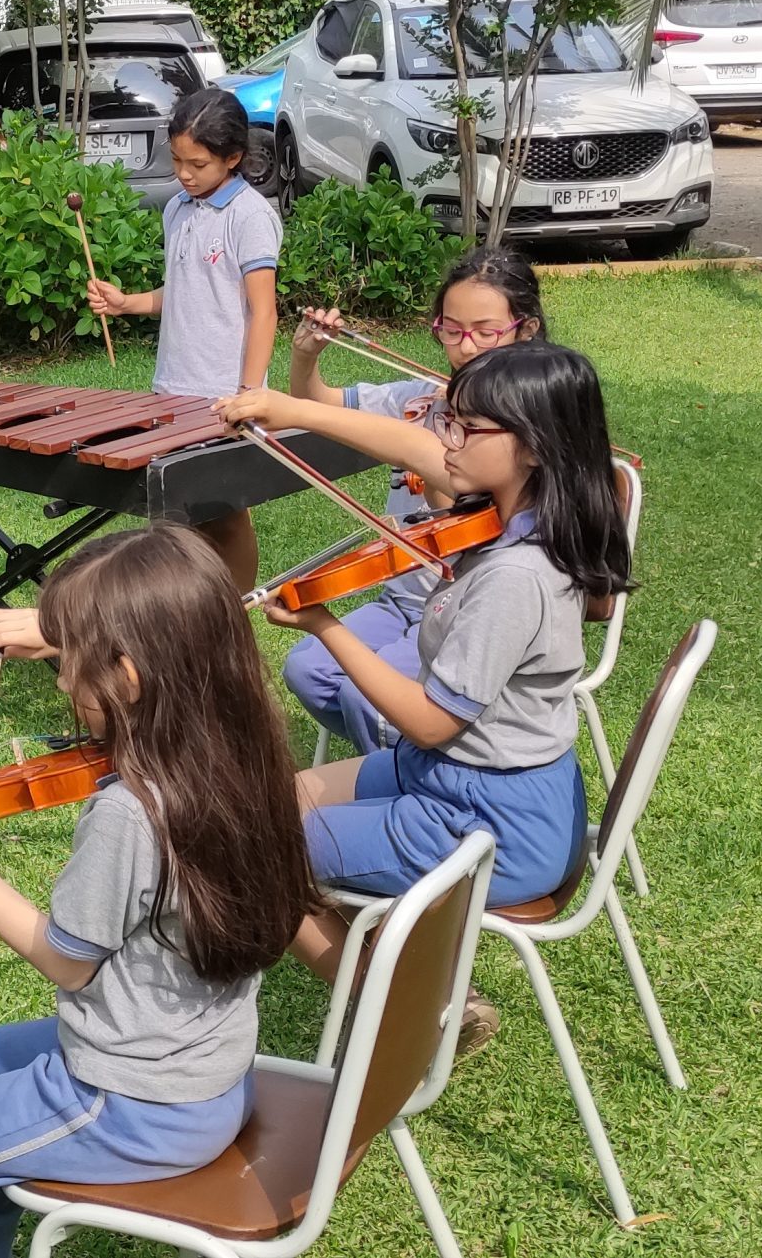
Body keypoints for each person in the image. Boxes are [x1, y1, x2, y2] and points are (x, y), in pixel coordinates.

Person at [0, 527, 315, 1258]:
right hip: (210, 1073)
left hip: (133, 1101)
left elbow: (66, 961)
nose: (57, 678)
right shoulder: (242, 755)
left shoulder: (130, 812)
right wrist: (65, 635)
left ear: (130, 674)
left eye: (70, 659)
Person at [220, 345, 633, 1045]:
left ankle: (427, 1003)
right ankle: (411, 971)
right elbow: (416, 448)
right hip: (461, 779)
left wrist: (324, 624)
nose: (446, 441)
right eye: (450, 421)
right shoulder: (513, 516)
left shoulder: (517, 577)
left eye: (466, 428)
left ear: (533, 447)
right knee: (268, 805)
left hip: (486, 817)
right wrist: (289, 407)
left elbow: (432, 719)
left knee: (249, 852)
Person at [278, 247, 546, 753]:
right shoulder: (420, 399)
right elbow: (319, 402)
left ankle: (404, 760)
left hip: (460, 610)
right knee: (307, 670)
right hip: (400, 598)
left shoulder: (523, 430)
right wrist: (305, 357)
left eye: (486, 333)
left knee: (366, 698)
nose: (466, 349)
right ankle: (398, 746)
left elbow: (451, 478)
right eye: (451, 330)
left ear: (524, 331)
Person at [84, 88, 281, 591]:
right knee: (173, 509)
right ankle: (188, 607)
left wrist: (248, 391)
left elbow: (263, 312)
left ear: (232, 158)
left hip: (224, 392)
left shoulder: (250, 216)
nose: (184, 173)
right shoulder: (176, 209)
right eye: (176, 160)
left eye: (197, 163)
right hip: (172, 384)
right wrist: (128, 302)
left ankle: (234, 610)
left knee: (228, 511)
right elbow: (186, 288)